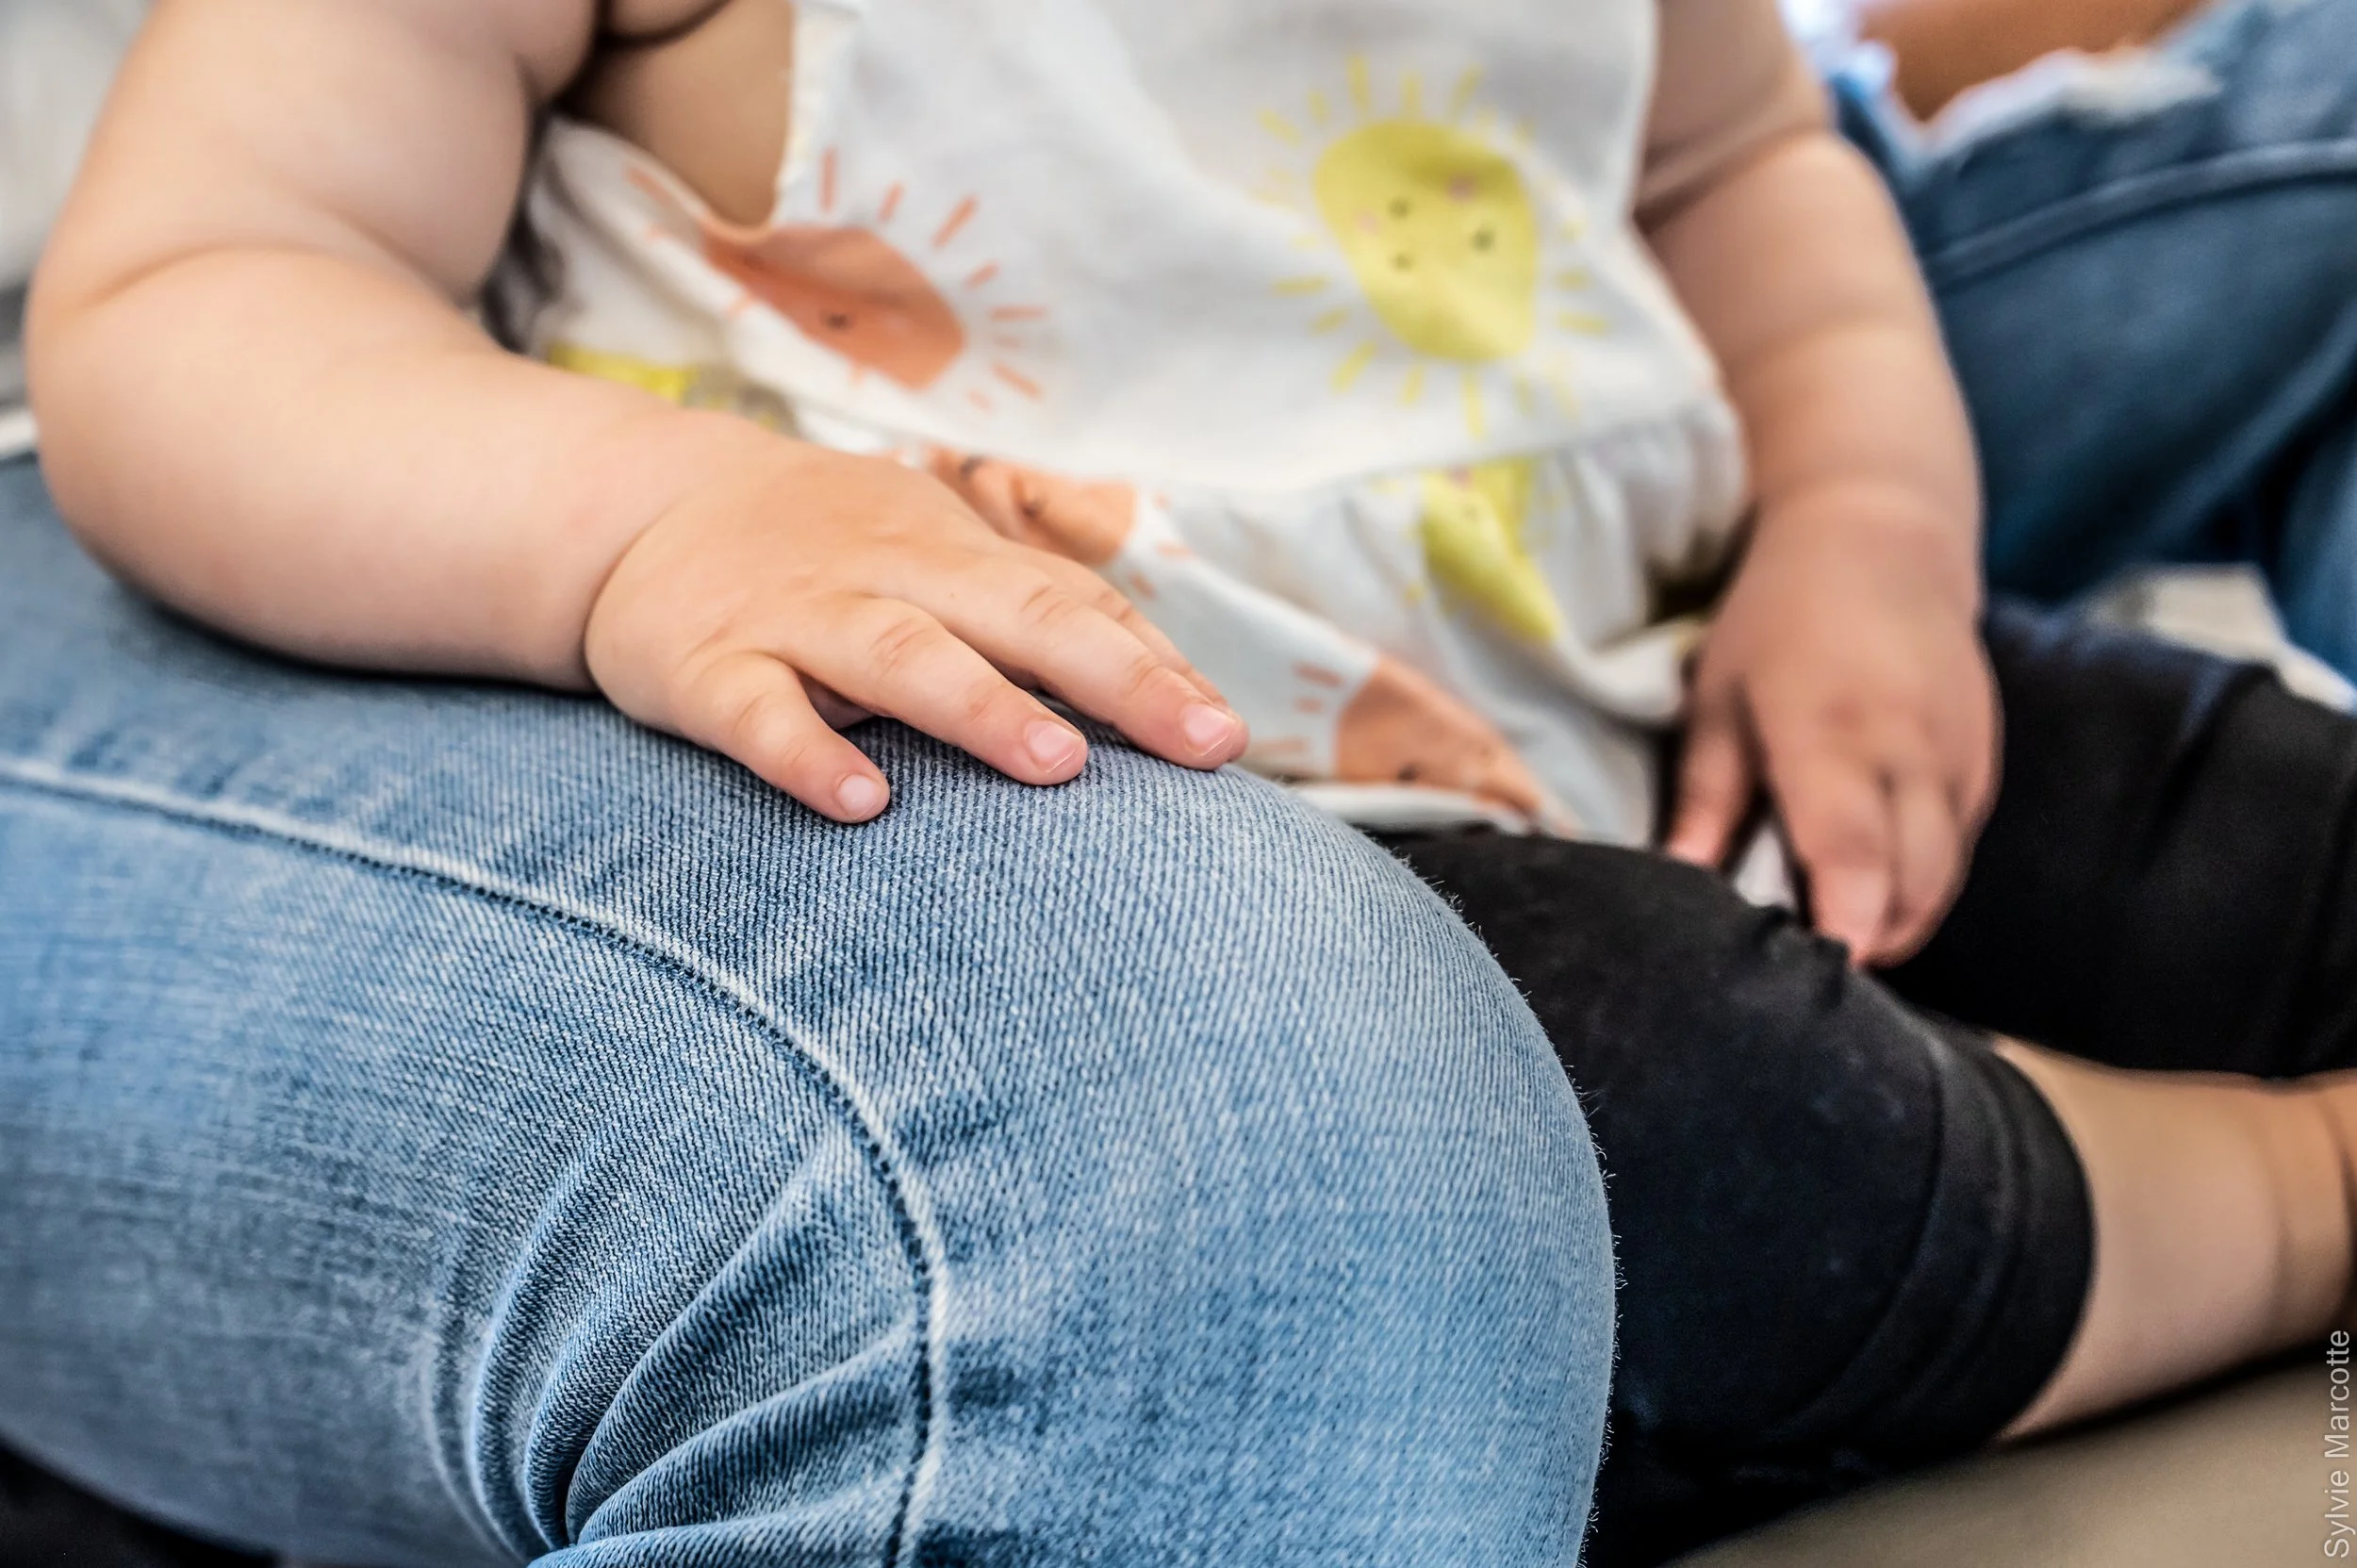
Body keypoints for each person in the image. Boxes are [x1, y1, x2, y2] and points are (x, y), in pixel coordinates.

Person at [8, 2, 2357, 1567]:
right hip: (1158, 836)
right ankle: (2274, 1205)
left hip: (1642, 677)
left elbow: (1746, 172)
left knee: (2240, 828)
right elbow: (211, 279)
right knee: (1682, 1111)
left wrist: (1863, 528)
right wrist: (640, 529)